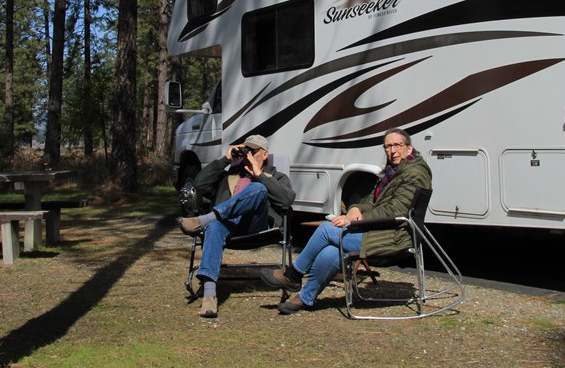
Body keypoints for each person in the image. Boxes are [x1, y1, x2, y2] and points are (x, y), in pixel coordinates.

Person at [260, 128, 431, 314]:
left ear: (409, 148)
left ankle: (293, 275)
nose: (392, 150)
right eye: (388, 146)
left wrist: (358, 219)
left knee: (326, 230)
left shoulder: (415, 173)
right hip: (382, 231)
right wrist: (355, 209)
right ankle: (305, 298)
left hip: (395, 237)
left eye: (397, 145)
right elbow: (371, 200)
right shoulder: (394, 171)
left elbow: (396, 210)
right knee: (331, 251)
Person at [176, 134, 295, 319]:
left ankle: (204, 220)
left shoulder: (276, 177)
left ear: (264, 154)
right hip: (228, 226)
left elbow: (287, 200)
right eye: (246, 150)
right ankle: (209, 295)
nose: (248, 155)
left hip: (257, 228)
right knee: (214, 227)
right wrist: (225, 160)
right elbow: (198, 185)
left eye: (253, 151)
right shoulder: (230, 175)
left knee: (259, 189)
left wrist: (260, 176)